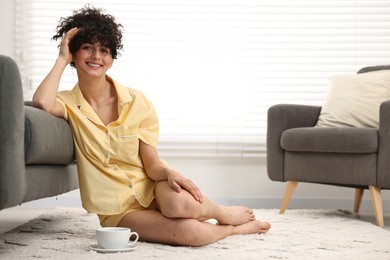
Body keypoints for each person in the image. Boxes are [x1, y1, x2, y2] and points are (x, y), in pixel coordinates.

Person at [33, 5, 271, 247]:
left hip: (150, 187)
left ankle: (220, 212)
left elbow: (151, 163)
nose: (96, 56)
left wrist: (169, 173)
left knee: (182, 204)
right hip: (118, 210)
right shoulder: (69, 104)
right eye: (87, 48)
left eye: (104, 50)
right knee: (192, 234)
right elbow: (41, 102)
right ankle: (232, 230)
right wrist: (62, 57)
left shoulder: (137, 102)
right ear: (74, 53)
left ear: (112, 58)